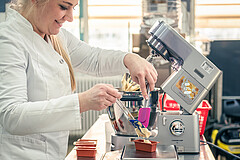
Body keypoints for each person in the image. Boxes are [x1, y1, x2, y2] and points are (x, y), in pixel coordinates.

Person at [0, 0, 158, 159]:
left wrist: (129, 59)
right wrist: (82, 101)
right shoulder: (9, 39)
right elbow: (12, 115)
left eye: (73, 8)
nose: (70, 18)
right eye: (63, 7)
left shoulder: (55, 35)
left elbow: (93, 59)